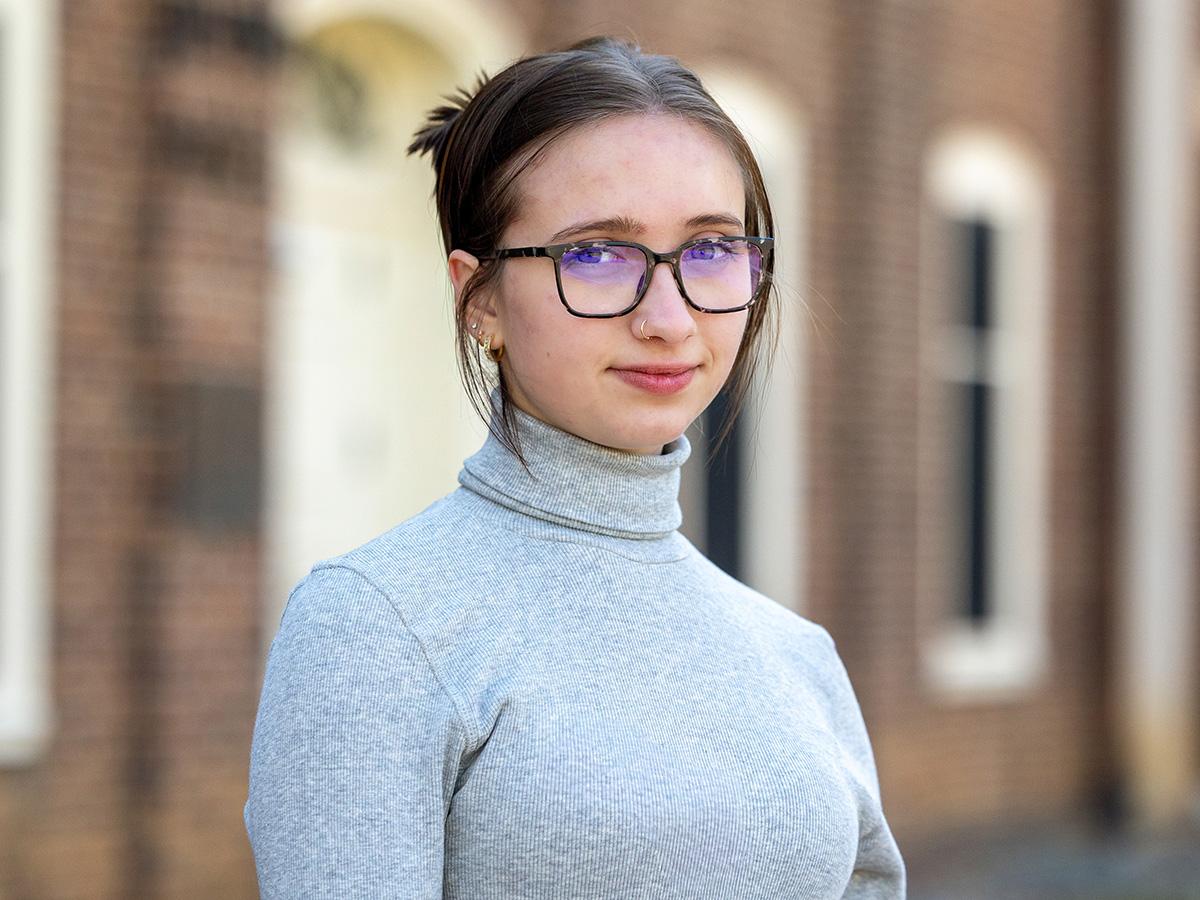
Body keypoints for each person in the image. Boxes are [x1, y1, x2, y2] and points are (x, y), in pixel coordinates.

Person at [244, 34, 906, 899]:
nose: (669, 319)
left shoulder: (797, 657)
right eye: (597, 254)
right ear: (480, 299)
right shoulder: (376, 629)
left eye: (710, 250)